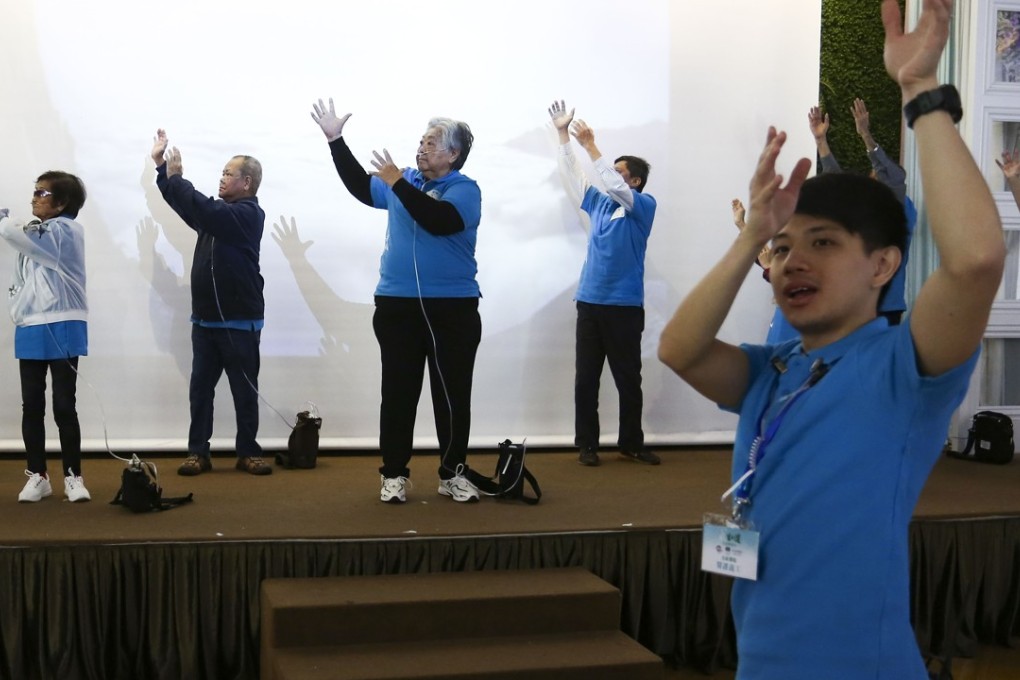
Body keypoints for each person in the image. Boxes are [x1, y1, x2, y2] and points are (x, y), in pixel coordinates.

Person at [657, 0, 1004, 677]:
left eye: (823, 243)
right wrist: (752, 238)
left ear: (882, 265)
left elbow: (975, 261)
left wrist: (918, 92)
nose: (795, 263)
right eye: (784, 251)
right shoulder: (774, 368)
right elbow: (680, 350)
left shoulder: (904, 365)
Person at [310, 98, 484, 504]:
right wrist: (336, 141)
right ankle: (393, 475)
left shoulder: (465, 189)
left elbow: (439, 221)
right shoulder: (401, 181)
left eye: (431, 144)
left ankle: (452, 473)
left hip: (453, 309)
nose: (421, 149)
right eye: (420, 142)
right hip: (398, 306)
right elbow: (359, 186)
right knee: (399, 393)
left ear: (453, 154)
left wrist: (398, 184)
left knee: (452, 395)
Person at [150, 129, 271, 476]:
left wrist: (179, 179)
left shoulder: (248, 214)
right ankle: (197, 452)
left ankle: (248, 451)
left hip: (240, 322)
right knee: (200, 391)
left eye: (227, 174)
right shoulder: (216, 215)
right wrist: (162, 168)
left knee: (244, 392)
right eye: (221, 173)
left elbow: (201, 206)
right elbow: (186, 204)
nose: (222, 178)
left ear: (246, 183)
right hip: (204, 323)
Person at [548, 100, 659, 467]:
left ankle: (631, 442)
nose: (610, 176)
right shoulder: (598, 203)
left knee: (629, 380)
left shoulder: (642, 206)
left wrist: (592, 145)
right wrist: (564, 135)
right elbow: (573, 176)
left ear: (635, 181)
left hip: (625, 306)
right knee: (586, 381)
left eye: (619, 172)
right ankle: (588, 445)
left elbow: (613, 184)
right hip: (591, 303)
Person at [1, 172, 91, 502]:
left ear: (63, 202)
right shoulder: (37, 231)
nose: (35, 197)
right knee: (32, 406)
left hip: (64, 321)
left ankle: (73, 477)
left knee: (64, 405)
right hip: (31, 324)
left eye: (43, 192)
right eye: (34, 191)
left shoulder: (66, 230)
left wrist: (4, 221)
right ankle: (38, 475)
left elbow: (21, 238)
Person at [809, 97, 918, 324]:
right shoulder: (864, 210)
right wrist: (821, 141)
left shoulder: (899, 207)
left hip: (885, 307)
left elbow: (894, 177)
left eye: (878, 177)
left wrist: (865, 135)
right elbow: (837, 183)